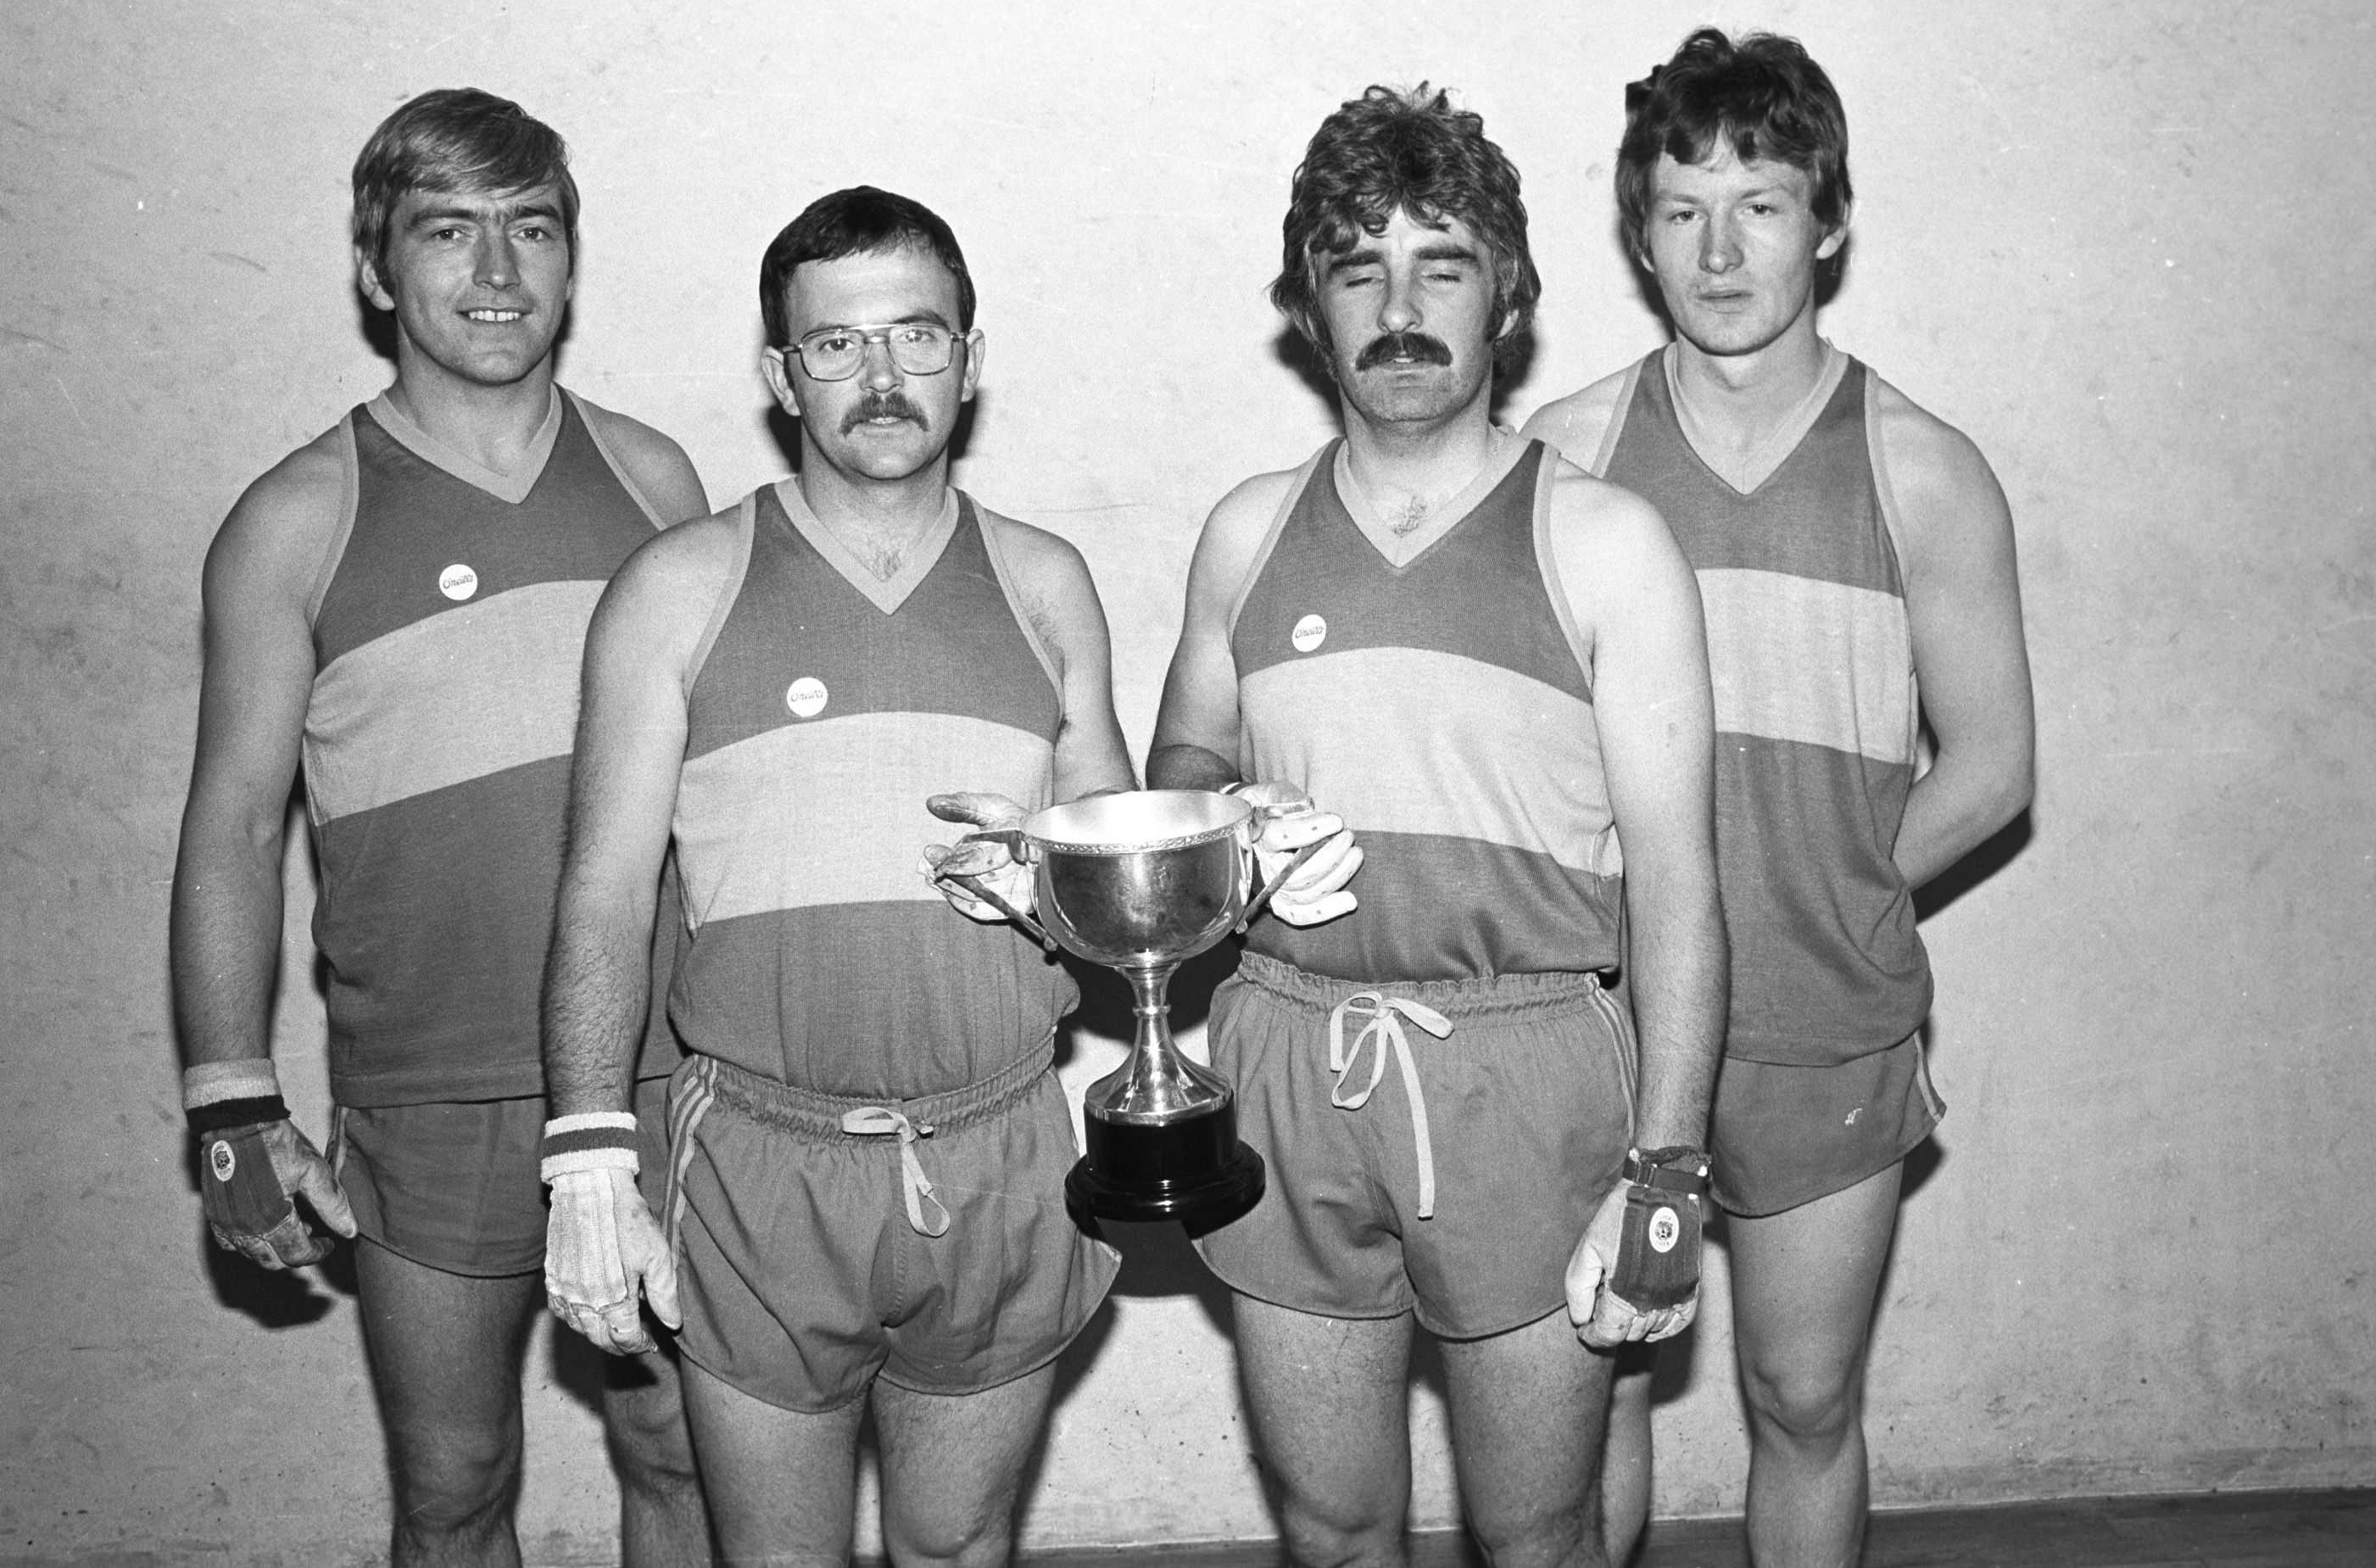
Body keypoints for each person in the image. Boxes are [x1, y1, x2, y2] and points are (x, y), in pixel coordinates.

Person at [544, 187, 1232, 1568]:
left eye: (918, 336)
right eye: (836, 343)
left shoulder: (1043, 581)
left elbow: (1118, 883)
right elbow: (604, 893)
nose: (881, 376)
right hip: (762, 1158)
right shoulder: (679, 584)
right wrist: (588, 1151)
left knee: (957, 1545)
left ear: (969, 360)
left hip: (999, 1142)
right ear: (779, 372)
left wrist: (1193, 853)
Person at [1149, 85, 1732, 1568]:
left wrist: (1667, 1171)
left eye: (1442, 266)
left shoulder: (1605, 541)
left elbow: (1678, 890)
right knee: (1332, 1525)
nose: (1400, 310)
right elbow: (1185, 755)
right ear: (1310, 307)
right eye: (1359, 270)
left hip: (1527, 1068)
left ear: (1508, 297)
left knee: (1537, 1533)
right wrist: (1224, 806)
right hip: (1290, 1053)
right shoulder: (1247, 531)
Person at [170, 88, 711, 1565]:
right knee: (455, 1486)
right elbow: (234, 824)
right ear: (375, 266)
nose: (495, 271)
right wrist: (229, 1098)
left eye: (530, 228)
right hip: (428, 1086)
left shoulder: (656, 480)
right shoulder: (298, 516)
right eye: (447, 231)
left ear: (569, 258)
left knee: (681, 1453)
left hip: (659, 1066)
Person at [1527, 27, 2037, 1568]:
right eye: (1682, 211)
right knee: (1596, 1389)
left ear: (1828, 219)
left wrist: (1833, 889)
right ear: (1640, 237)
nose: (1720, 250)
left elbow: (1994, 766)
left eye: (1758, 204)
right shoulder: (1565, 457)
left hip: (1827, 1021)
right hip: (1613, 1021)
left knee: (1801, 1397)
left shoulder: (1920, 467)